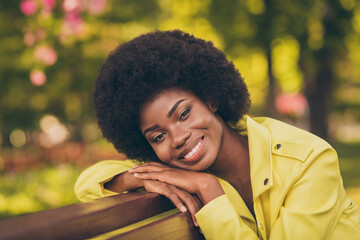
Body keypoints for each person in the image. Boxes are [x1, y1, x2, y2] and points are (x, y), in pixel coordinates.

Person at [74, 30, 360, 239]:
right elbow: (85, 186)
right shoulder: (177, 168)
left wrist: (209, 188)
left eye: (183, 114)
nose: (177, 138)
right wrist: (137, 177)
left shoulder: (309, 160)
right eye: (158, 136)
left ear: (211, 98)